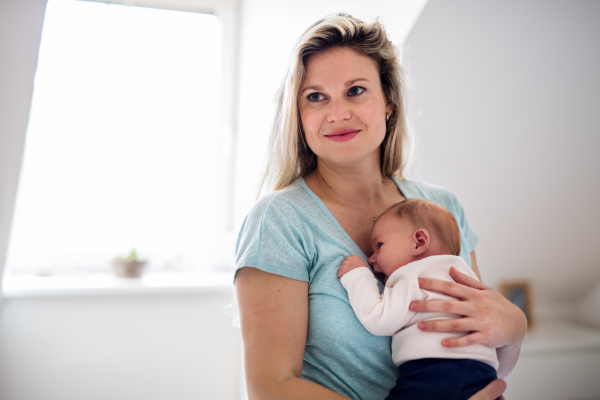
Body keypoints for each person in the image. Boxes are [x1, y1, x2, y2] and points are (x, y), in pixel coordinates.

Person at [235, 13, 526, 400]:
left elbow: (474, 340)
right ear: (299, 117)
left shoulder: (442, 207)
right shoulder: (280, 221)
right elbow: (272, 388)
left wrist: (516, 326)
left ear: (388, 103)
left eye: (355, 90)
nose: (337, 114)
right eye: (316, 97)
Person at [338, 198, 499, 399]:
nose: (371, 258)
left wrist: (357, 275)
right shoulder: (464, 274)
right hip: (485, 373)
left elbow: (378, 320)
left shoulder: (412, 274)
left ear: (419, 242)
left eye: (380, 245)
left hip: (435, 371)